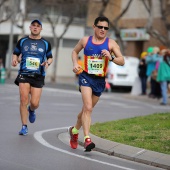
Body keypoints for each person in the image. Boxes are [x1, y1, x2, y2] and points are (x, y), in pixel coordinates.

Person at [68, 16, 124, 152]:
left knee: (86, 110)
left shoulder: (111, 43)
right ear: (94, 27)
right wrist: (75, 63)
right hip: (86, 76)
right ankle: (87, 139)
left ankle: (74, 130)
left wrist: (111, 58)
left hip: (100, 80)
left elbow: (122, 61)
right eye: (100, 27)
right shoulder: (85, 41)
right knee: (88, 107)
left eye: (106, 28)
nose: (103, 30)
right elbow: (74, 51)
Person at [11, 19, 53, 136]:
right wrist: (14, 59)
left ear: (41, 29)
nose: (35, 27)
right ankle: (24, 126)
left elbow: (50, 57)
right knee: (24, 100)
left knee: (34, 103)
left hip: (38, 76)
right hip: (24, 73)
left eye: (38, 26)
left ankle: (32, 110)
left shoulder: (45, 43)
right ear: (30, 27)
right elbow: (16, 53)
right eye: (33, 25)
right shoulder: (23, 41)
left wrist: (48, 63)